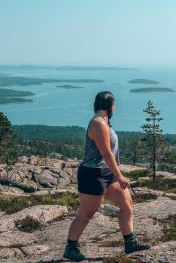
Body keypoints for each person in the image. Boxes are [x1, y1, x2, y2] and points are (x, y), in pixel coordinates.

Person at [63, 91, 151, 261]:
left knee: (126, 204)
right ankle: (71, 247)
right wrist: (120, 176)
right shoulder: (98, 124)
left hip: (107, 172)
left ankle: (130, 242)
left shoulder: (104, 122)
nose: (115, 107)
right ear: (109, 105)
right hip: (93, 174)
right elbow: (106, 153)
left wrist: (116, 174)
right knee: (87, 213)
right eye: (114, 104)